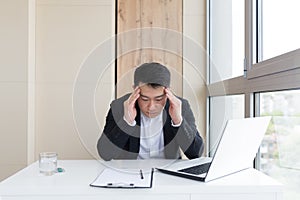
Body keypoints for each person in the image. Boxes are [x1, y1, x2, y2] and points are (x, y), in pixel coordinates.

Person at [97, 62, 204, 160]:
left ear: (168, 91)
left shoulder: (180, 106)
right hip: (131, 173)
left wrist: (178, 121)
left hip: (168, 172)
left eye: (158, 99)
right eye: (145, 99)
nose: (151, 106)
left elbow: (195, 153)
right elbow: (105, 154)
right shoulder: (119, 106)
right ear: (135, 89)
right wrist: (127, 121)